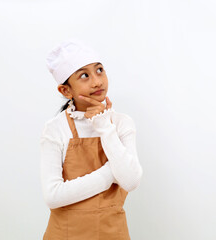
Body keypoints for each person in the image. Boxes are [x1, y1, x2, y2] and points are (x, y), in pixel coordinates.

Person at [40, 38, 143, 239]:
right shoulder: (55, 129)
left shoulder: (121, 123)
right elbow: (53, 196)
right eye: (84, 75)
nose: (97, 81)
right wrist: (110, 173)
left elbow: (130, 181)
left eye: (99, 70)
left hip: (113, 233)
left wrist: (105, 126)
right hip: (65, 234)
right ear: (65, 90)